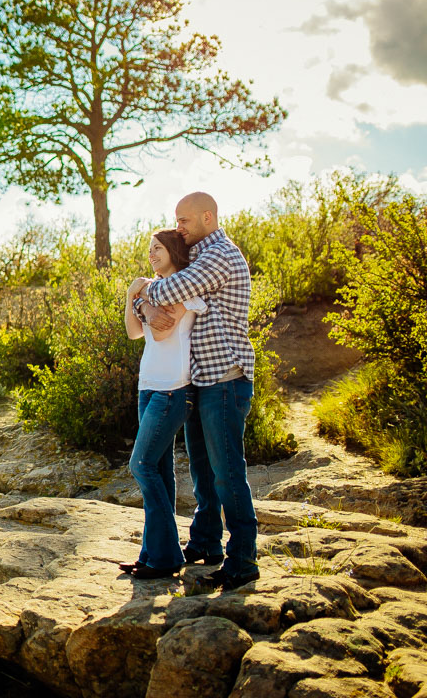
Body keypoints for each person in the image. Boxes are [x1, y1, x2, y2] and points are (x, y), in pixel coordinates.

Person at [133, 192, 259, 590]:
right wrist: (145, 303)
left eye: (184, 220)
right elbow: (162, 297)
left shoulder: (219, 254)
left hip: (226, 377)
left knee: (227, 473)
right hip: (201, 380)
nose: (179, 227)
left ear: (208, 217)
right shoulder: (198, 256)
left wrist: (143, 293)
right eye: (176, 220)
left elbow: (170, 289)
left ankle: (243, 560)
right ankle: (206, 543)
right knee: (204, 472)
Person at [119, 229, 205, 579]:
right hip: (148, 387)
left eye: (158, 248)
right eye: (149, 249)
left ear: (172, 250)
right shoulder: (152, 289)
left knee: (141, 465)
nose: (152, 254)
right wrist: (131, 298)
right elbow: (134, 332)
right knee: (161, 470)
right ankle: (152, 554)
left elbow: (164, 329)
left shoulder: (187, 286)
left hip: (174, 389)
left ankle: (167, 555)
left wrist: (143, 299)